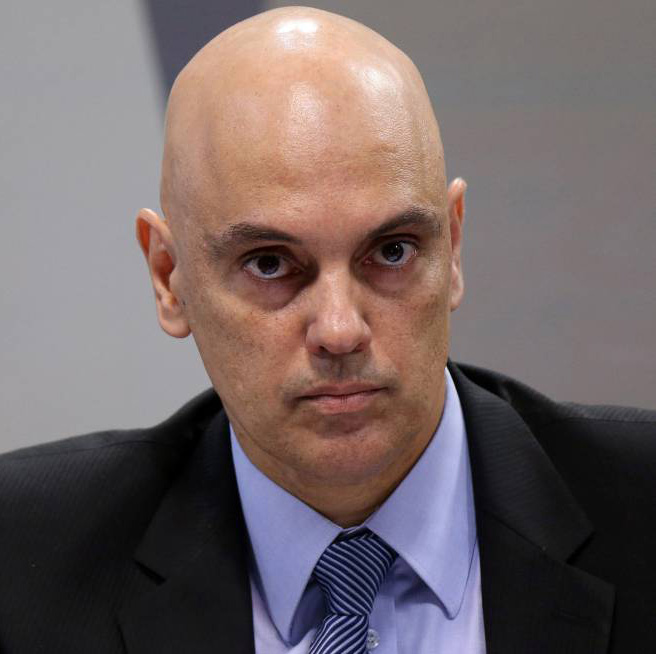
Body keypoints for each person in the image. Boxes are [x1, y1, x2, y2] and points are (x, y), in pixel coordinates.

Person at [0, 6, 654, 653]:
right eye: (269, 263)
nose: (340, 332)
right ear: (170, 278)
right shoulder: (21, 561)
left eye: (392, 251)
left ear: (452, 248)